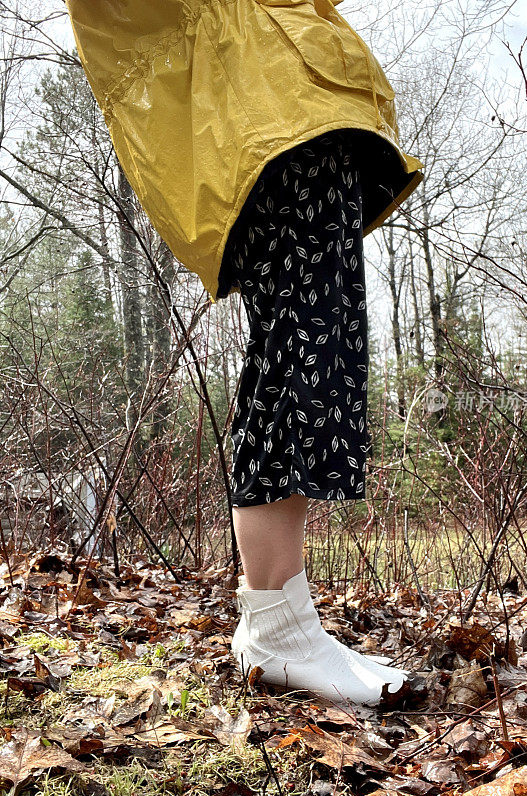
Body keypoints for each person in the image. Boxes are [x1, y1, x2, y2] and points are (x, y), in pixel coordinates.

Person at [66, 0, 423, 707]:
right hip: (265, 113)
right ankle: (276, 628)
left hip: (299, 100)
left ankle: (287, 620)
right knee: (300, 351)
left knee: (320, 350)